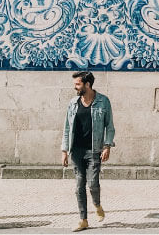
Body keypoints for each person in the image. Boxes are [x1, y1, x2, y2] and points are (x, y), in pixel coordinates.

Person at [61, 71, 116, 232]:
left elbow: (110, 127)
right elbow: (66, 128)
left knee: (92, 184)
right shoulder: (73, 103)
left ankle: (97, 204)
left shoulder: (103, 102)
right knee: (79, 187)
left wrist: (107, 146)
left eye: (77, 84)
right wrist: (64, 150)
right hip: (76, 151)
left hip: (94, 150)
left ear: (87, 84)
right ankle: (83, 219)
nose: (75, 87)